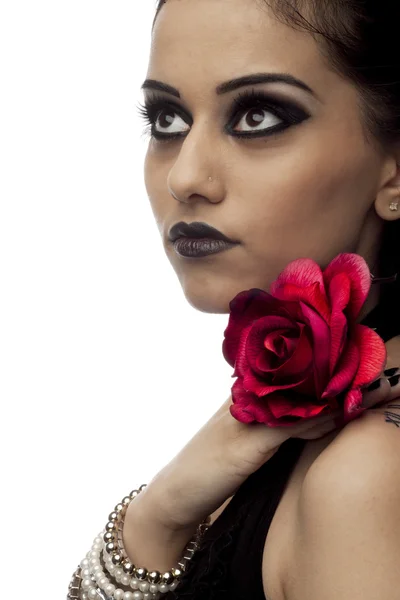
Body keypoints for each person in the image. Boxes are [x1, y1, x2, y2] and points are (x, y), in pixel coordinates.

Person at [68, 1, 400, 599]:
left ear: (395, 168)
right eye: (167, 120)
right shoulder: (281, 446)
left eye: (257, 117)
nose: (186, 177)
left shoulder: (365, 476)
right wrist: (164, 510)